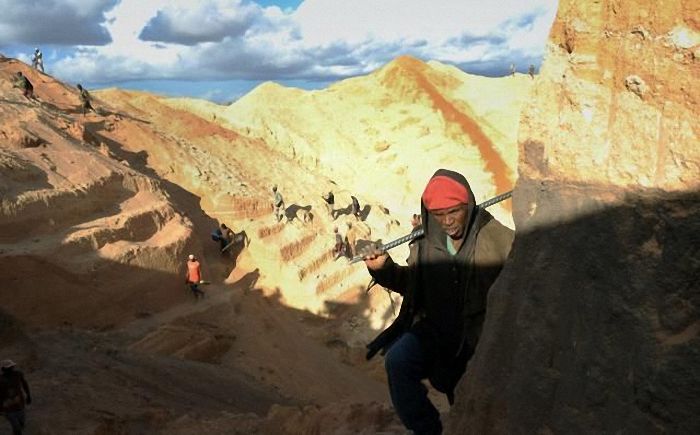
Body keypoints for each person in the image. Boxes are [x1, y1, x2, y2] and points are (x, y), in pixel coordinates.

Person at [362, 169, 513, 434]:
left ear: (467, 205)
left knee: (467, 406)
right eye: (439, 215)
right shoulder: (426, 239)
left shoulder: (497, 239)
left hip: (474, 341)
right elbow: (413, 286)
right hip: (434, 331)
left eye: (453, 212)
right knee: (398, 361)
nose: (447, 222)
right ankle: (427, 430)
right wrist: (383, 269)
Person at [0, 359, 32, 435]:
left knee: (21, 424)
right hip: (8, 407)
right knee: (17, 427)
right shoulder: (0, 380)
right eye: (9, 368)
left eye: (12, 367)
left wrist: (28, 395)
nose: (11, 369)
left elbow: (24, 384)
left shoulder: (18, 374)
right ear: (3, 369)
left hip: (19, 404)